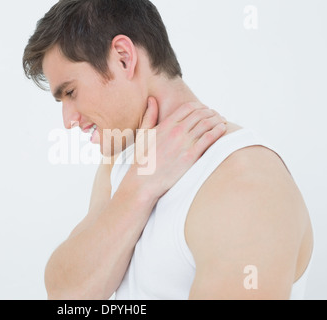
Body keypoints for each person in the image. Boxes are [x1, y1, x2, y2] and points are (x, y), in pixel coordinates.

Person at [23, 0, 313, 300]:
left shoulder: (245, 183)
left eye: (71, 92)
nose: (68, 121)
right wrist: (140, 186)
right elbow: (65, 294)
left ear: (123, 57)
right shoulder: (123, 161)